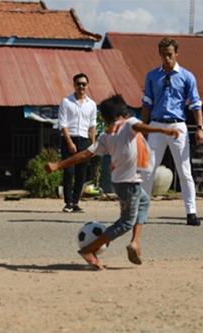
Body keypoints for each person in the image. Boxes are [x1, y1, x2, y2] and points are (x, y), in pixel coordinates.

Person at [45, 94, 180, 270]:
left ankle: (135, 242)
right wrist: (164, 131)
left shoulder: (106, 135)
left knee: (144, 202)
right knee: (125, 222)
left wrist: (59, 164)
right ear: (124, 113)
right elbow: (140, 125)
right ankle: (89, 250)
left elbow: (86, 154)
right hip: (129, 182)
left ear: (105, 118)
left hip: (122, 182)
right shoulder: (129, 123)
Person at [140, 37, 203, 226]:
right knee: (148, 170)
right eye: (163, 55)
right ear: (159, 55)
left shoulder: (187, 76)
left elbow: (195, 103)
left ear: (177, 53)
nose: (167, 58)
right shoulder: (152, 76)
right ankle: (141, 212)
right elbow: (146, 103)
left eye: (170, 54)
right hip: (156, 125)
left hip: (178, 126)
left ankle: (191, 212)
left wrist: (200, 127)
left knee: (184, 170)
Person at [57, 73, 97, 213]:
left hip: (83, 140)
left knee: (81, 172)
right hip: (69, 138)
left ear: (87, 86)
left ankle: (75, 202)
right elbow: (62, 124)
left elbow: (92, 126)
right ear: (74, 85)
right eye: (78, 84)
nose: (81, 86)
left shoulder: (91, 104)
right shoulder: (66, 102)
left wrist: (93, 145)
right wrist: (69, 142)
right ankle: (68, 202)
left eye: (83, 84)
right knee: (69, 171)